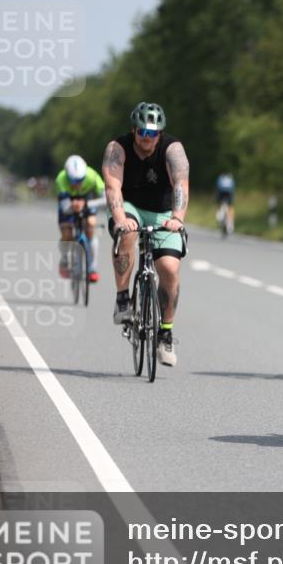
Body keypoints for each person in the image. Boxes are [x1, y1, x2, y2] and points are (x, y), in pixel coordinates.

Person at [102, 101, 189, 367]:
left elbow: (181, 185)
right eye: (141, 132)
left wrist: (177, 218)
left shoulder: (172, 150)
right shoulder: (117, 148)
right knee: (127, 233)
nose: (146, 138)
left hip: (163, 212)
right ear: (134, 130)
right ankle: (123, 300)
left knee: (170, 269)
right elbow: (113, 187)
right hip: (130, 206)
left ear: (160, 133)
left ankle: (166, 332)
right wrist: (120, 220)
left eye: (152, 133)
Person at [56, 155, 106, 281]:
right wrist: (72, 206)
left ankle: (92, 268)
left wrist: (87, 204)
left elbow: (105, 199)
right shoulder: (61, 179)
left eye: (80, 181)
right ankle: (64, 259)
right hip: (68, 201)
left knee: (90, 226)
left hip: (87, 200)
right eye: (73, 181)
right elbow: (64, 206)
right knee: (66, 232)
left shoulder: (93, 176)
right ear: (67, 175)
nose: (77, 184)